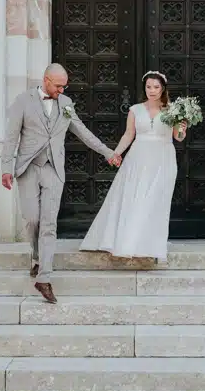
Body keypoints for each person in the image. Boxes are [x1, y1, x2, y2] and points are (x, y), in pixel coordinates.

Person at [1, 63, 121, 304]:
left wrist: (108, 152)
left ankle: (44, 277)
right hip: (28, 168)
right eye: (58, 86)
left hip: (54, 170)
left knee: (48, 223)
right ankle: (36, 258)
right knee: (32, 218)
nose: (62, 90)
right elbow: (11, 136)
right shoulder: (23, 101)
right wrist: (6, 168)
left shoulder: (65, 104)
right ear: (46, 80)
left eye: (64, 86)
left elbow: (82, 131)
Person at [80, 71, 187, 261]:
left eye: (156, 87)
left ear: (162, 89)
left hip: (163, 158)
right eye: (148, 87)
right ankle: (129, 242)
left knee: (155, 200)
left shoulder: (173, 110)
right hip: (138, 158)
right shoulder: (135, 110)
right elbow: (129, 135)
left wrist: (182, 129)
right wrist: (116, 153)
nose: (152, 90)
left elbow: (178, 137)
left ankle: (150, 244)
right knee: (135, 198)